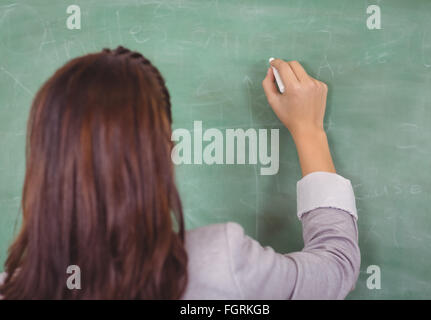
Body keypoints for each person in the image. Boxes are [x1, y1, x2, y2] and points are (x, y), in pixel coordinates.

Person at [0, 46, 360, 299]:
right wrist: (309, 131)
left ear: (43, 165)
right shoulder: (220, 266)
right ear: (167, 153)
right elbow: (335, 268)